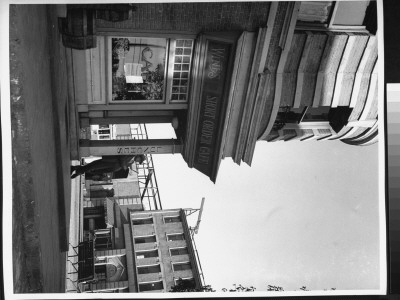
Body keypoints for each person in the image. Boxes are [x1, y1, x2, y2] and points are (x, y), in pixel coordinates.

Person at [71, 154, 146, 179]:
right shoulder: (131, 154)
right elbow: (122, 158)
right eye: (139, 160)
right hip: (109, 162)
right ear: (139, 156)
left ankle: (76, 168)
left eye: (139, 162)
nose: (138, 162)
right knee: (93, 166)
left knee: (93, 169)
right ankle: (77, 171)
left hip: (110, 167)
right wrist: (124, 167)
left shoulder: (131, 161)